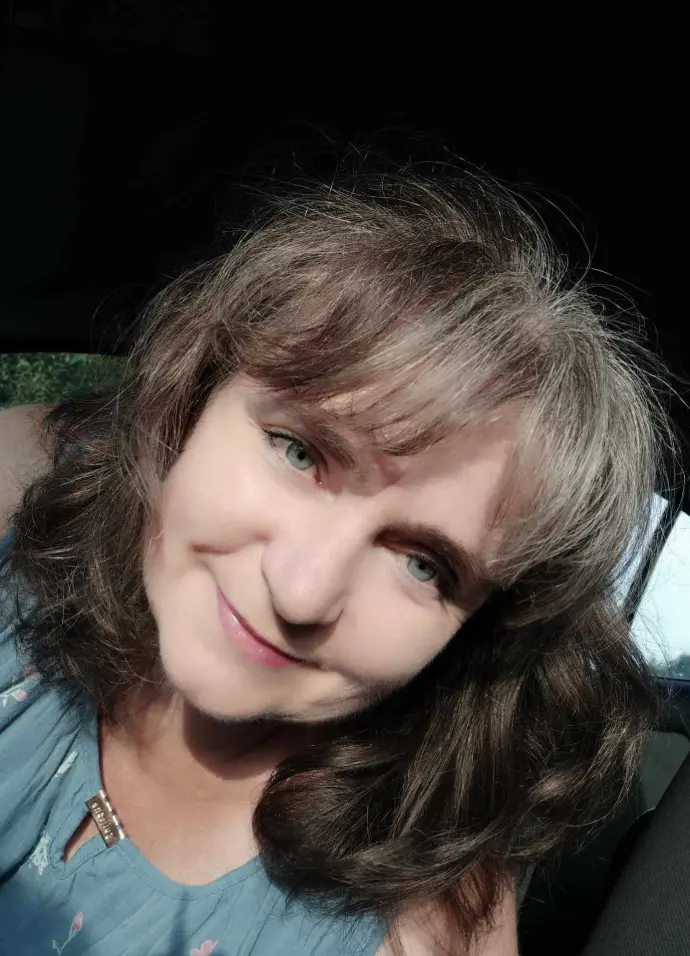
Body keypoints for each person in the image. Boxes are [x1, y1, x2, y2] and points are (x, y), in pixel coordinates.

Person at [0, 170, 672, 956]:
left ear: (476, 631)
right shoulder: (22, 504)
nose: (301, 592)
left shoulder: (426, 932)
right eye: (298, 451)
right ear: (189, 405)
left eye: (424, 565)